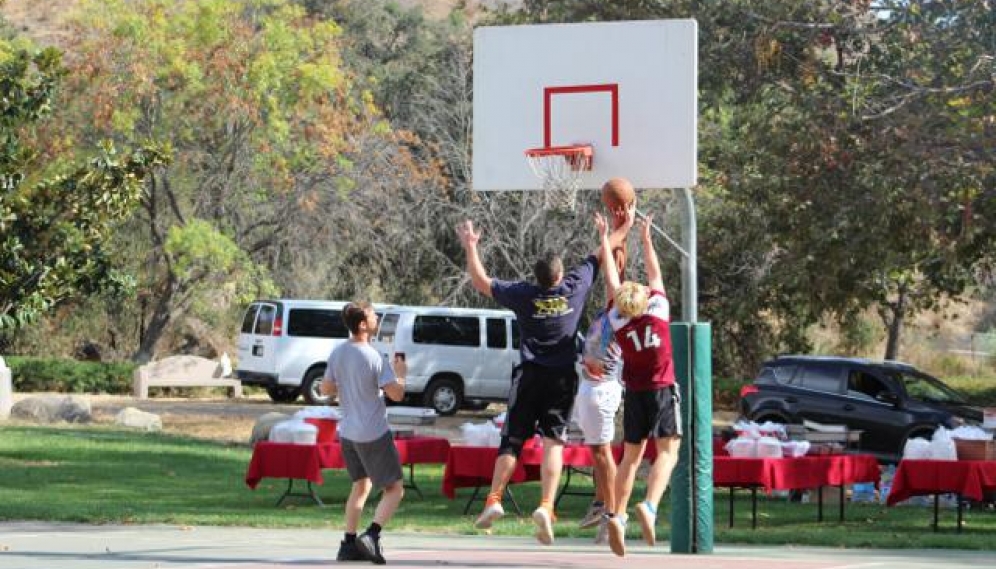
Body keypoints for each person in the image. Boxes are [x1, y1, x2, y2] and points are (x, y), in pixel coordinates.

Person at [455, 214, 632, 546]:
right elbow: (601, 252)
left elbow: (481, 281)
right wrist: (621, 227)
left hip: (530, 375)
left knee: (512, 442)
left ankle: (494, 499)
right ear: (560, 274)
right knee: (553, 442)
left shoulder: (522, 294)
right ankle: (546, 506)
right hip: (562, 377)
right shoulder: (574, 286)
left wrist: (471, 246)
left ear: (535, 278)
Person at [594, 211, 682, 557]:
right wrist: (646, 237)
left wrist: (606, 236)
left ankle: (616, 514)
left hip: (635, 394)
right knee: (668, 451)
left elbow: (612, 279)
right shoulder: (658, 310)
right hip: (661, 389)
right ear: (644, 299)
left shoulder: (617, 320)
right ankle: (650, 505)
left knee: (630, 458)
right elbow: (654, 272)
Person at [320, 302, 407, 565]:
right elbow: (397, 394)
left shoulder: (338, 353)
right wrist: (401, 375)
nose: (377, 317)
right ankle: (372, 534)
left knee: (361, 485)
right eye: (372, 314)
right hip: (373, 433)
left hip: (348, 432)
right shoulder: (374, 357)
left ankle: (348, 544)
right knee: (395, 489)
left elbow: (325, 388)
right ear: (362, 325)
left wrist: (349, 384)